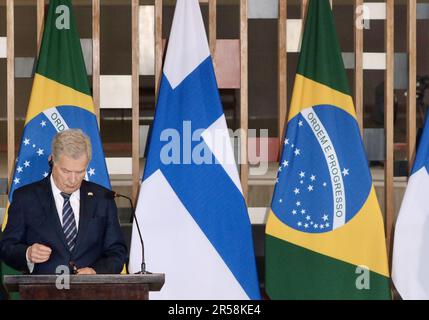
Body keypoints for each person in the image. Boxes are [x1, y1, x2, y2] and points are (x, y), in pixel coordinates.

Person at [0, 129, 127, 275]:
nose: (73, 180)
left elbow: (117, 252)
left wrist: (95, 272)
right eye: (66, 171)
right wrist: (28, 253)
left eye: (80, 172)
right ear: (52, 160)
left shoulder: (103, 198)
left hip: (91, 292)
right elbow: (6, 248)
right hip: (42, 293)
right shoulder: (26, 198)